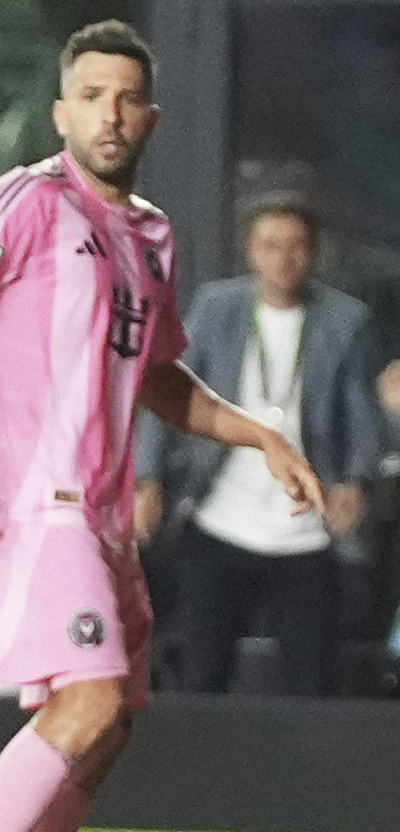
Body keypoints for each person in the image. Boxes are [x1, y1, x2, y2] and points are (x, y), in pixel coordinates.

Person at [0, 21, 321, 832]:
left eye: (126, 98)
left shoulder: (151, 233)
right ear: (61, 109)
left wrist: (261, 434)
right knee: (86, 702)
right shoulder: (28, 199)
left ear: (151, 116)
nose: (110, 113)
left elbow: (157, 377)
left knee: (114, 717)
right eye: (91, 95)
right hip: (34, 499)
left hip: (100, 514)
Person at [135, 196, 385, 696]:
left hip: (304, 529)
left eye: (296, 247)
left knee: (310, 681)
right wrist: (148, 477)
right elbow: (172, 392)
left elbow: (362, 414)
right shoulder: (216, 308)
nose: (283, 258)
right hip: (219, 516)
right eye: (271, 245)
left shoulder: (345, 321)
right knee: (201, 673)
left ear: (314, 253)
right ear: (251, 251)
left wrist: (356, 481)